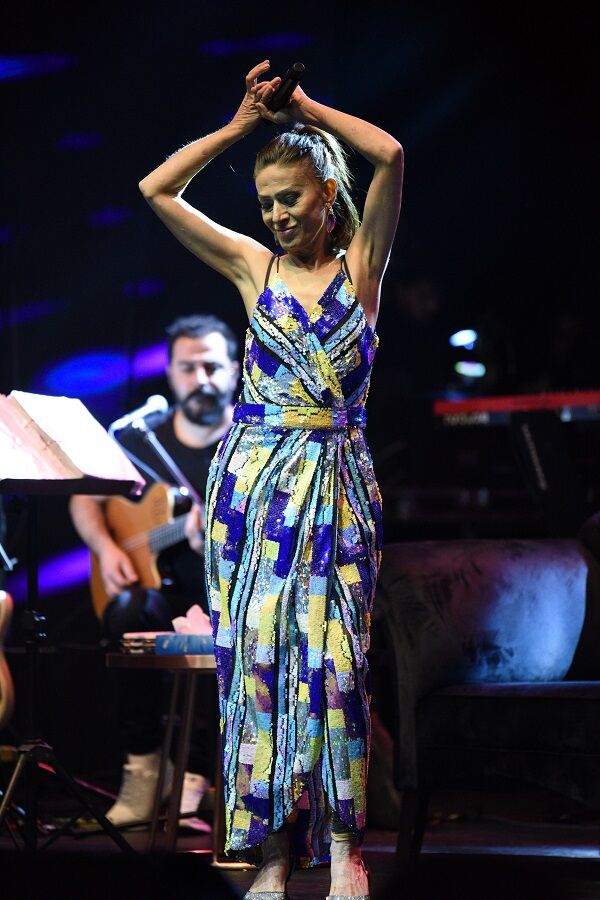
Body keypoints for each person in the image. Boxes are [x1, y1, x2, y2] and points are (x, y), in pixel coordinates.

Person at [138, 60, 403, 899]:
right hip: (253, 492)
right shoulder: (255, 268)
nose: (279, 215)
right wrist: (242, 126)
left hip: (337, 484)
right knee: (258, 668)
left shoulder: (361, 268)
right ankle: (273, 851)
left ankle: (345, 848)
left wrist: (305, 108)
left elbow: (391, 155)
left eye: (292, 198)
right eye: (267, 203)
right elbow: (156, 189)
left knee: (337, 670)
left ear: (327, 192)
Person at [69, 314, 239, 831]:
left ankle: (196, 775)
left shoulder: (251, 441)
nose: (201, 379)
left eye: (212, 366)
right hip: (158, 593)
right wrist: (107, 548)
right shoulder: (141, 439)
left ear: (235, 370)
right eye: (188, 368)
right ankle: (143, 770)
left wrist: (220, 540)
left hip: (227, 594)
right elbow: (84, 498)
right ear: (169, 374)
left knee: (222, 624)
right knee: (125, 614)